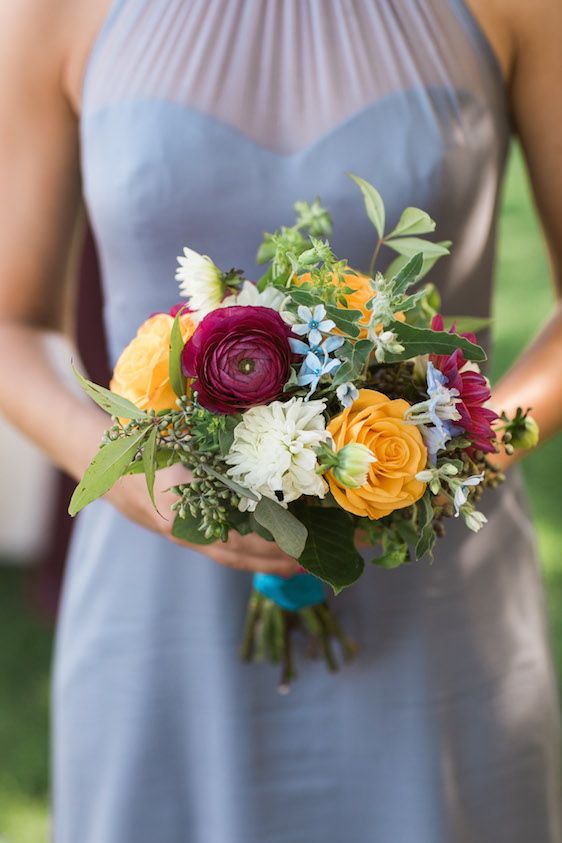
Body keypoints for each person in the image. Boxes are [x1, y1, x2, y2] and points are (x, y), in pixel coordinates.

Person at [0, 1, 561, 840]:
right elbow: (10, 323)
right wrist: (124, 471)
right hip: (156, 595)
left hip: (435, 583)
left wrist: (448, 456)